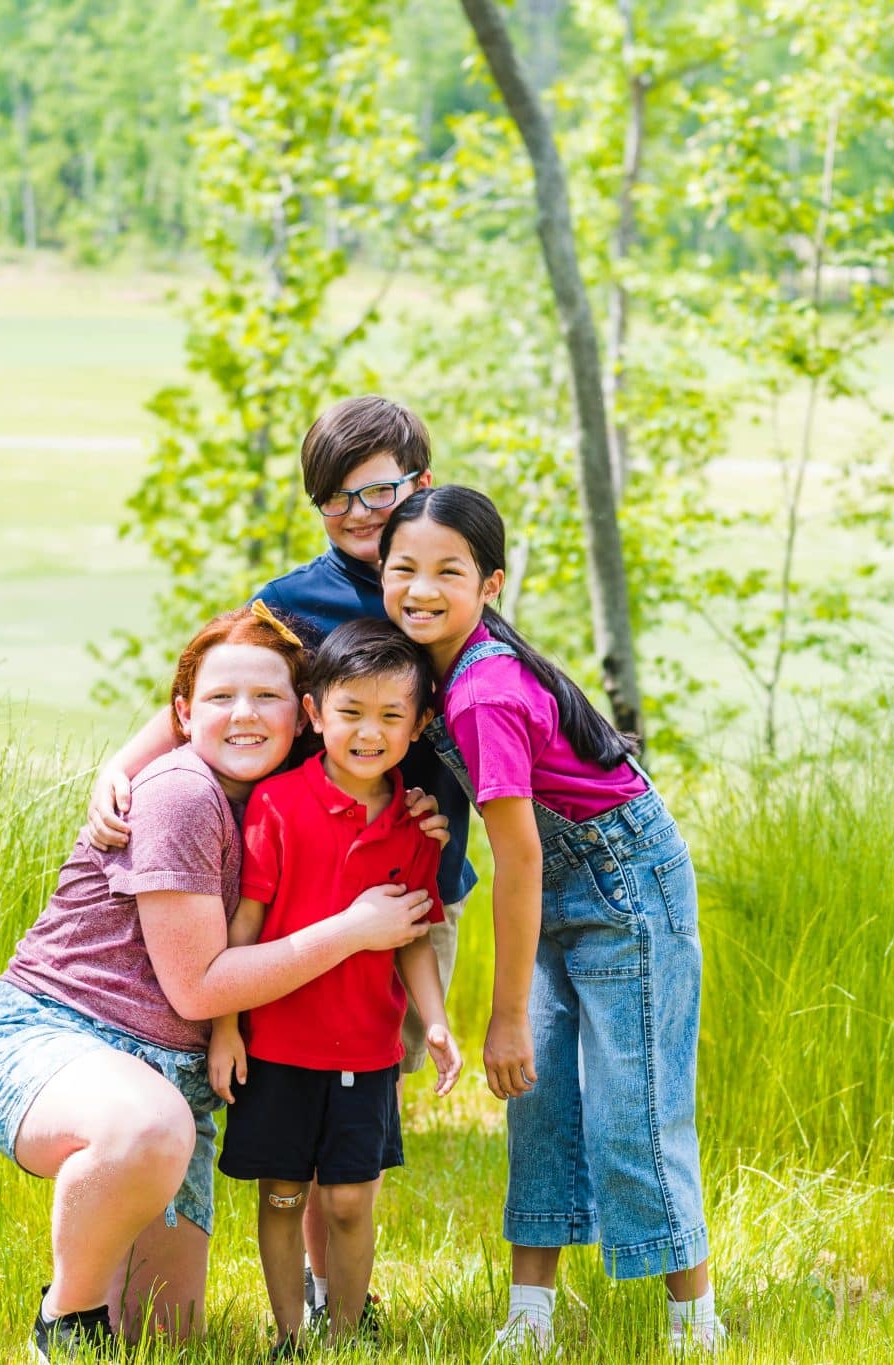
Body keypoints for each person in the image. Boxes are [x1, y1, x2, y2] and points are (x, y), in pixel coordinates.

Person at [0, 605, 444, 1360]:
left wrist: (409, 813)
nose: (243, 715)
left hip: (177, 1075)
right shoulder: (182, 793)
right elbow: (198, 990)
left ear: (303, 714)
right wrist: (355, 926)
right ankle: (66, 1322)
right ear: (183, 713)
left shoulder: (291, 786)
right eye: (219, 698)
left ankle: (103, 1273)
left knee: (166, 1337)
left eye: (267, 697)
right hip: (56, 1035)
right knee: (145, 1131)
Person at [84, 395, 476, 1321]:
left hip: (415, 877)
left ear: (419, 481)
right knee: (295, 1086)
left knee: (370, 1087)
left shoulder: (444, 576)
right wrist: (122, 763)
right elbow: (212, 674)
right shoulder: (299, 599)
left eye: (380, 489)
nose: (360, 513)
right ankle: (318, 1295)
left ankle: (340, 1280)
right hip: (305, 884)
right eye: (336, 498)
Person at [378, 486, 725, 1354]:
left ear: (490, 584)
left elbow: (520, 857)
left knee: (632, 1105)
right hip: (564, 883)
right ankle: (530, 1318)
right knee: (535, 1102)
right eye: (402, 568)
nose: (421, 588)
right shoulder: (439, 667)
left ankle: (696, 1323)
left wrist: (504, 1017)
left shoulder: (483, 690)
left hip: (623, 887)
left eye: (447, 572)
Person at [210, 617, 465, 1355]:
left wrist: (439, 1021)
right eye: (350, 712)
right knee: (284, 1193)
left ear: (418, 726)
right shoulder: (277, 805)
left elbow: (413, 934)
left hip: (367, 1047)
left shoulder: (419, 827)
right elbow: (245, 923)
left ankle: (349, 1334)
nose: (368, 732)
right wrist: (226, 1026)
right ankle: (290, 1337)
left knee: (350, 1198)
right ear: (315, 713)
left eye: (391, 716)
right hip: (279, 1047)